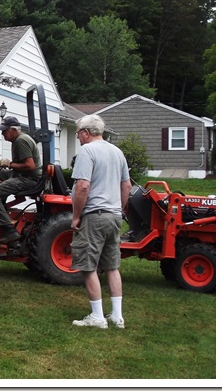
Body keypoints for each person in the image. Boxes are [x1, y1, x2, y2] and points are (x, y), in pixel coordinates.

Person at [70, 114, 131, 329]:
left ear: (86, 132)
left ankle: (97, 317)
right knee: (112, 266)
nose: (78, 137)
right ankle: (117, 316)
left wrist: (76, 216)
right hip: (114, 216)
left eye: (78, 133)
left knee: (88, 267)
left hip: (94, 216)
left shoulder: (87, 151)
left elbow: (83, 187)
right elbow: (126, 186)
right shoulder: (117, 152)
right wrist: (120, 209)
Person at [0, 116, 42, 244]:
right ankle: (0, 208)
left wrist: (9, 164)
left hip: (29, 179)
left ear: (13, 130)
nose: (3, 134)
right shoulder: (19, 140)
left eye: (4, 131)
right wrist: (3, 164)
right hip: (25, 175)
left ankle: (9, 230)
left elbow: (30, 166)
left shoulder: (21, 141)